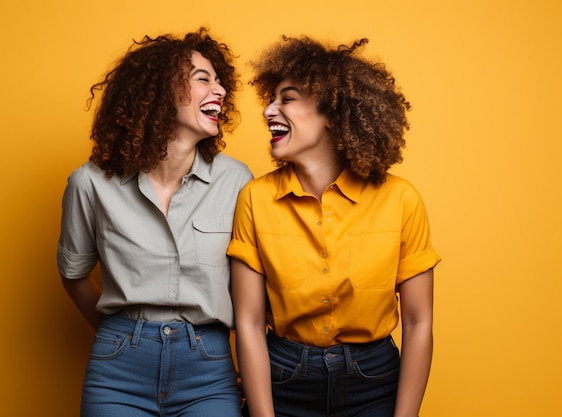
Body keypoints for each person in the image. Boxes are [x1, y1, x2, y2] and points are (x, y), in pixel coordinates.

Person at [228, 35, 441, 417]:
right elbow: (247, 321)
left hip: (375, 381)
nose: (269, 111)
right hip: (283, 378)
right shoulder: (255, 199)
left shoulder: (401, 199)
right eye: (271, 100)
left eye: (287, 99)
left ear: (333, 113)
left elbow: (419, 320)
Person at [57, 28, 253, 417]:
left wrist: (253, 364)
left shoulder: (236, 181)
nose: (220, 91)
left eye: (219, 81)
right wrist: (121, 337)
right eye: (203, 79)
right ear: (161, 92)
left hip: (209, 367)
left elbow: (253, 292)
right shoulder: (90, 183)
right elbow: (74, 273)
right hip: (118, 369)